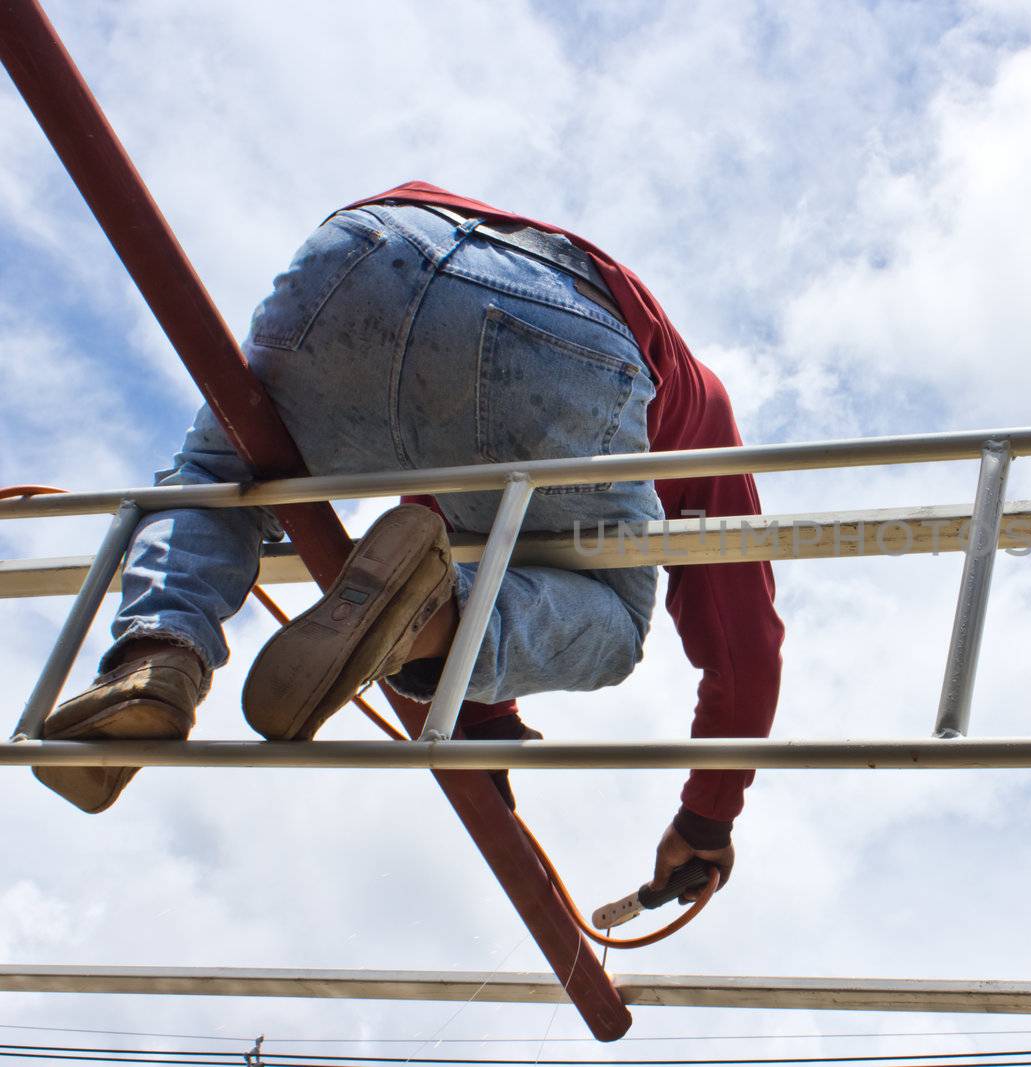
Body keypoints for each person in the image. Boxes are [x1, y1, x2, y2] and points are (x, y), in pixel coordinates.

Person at [33, 183, 785, 898]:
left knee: (217, 477)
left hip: (366, 251)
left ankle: (156, 656)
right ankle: (430, 623)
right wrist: (706, 817)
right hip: (566, 333)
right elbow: (741, 642)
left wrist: (483, 732)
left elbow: (425, 515)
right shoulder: (701, 408)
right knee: (616, 623)